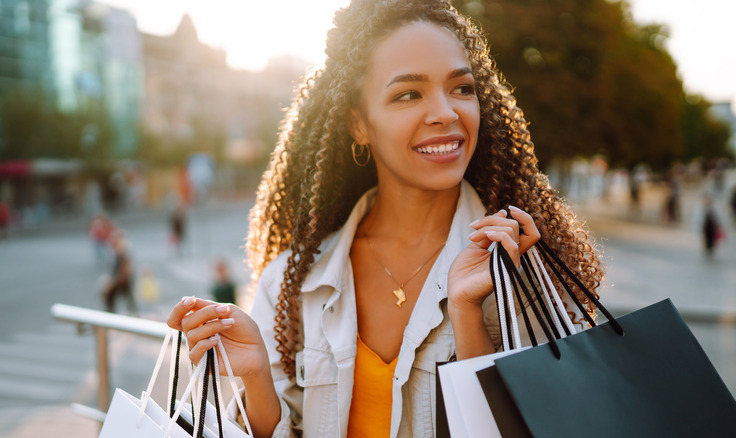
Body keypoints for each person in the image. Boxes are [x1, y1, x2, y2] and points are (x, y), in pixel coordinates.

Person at [167, 1, 604, 436]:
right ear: (358, 123)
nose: (446, 113)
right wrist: (257, 373)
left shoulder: (519, 271)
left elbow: (535, 427)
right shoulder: (290, 281)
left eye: (462, 88)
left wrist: (468, 315)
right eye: (408, 94)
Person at [103, 231, 137, 315]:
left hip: (122, 279)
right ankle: (131, 313)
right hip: (120, 279)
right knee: (127, 299)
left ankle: (132, 313)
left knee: (127, 298)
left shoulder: (121, 254)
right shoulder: (117, 253)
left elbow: (125, 268)